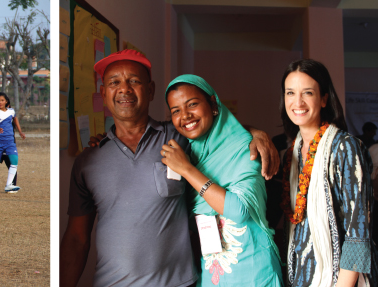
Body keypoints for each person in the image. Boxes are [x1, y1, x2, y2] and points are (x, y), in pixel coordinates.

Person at [60, 49, 280, 287]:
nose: (124, 89)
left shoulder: (180, 137)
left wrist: (255, 133)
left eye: (134, 81)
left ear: (151, 90)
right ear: (103, 93)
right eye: (114, 82)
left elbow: (216, 129)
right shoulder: (89, 161)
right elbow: (76, 239)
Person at [160, 74, 282, 286]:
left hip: (254, 273)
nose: (185, 116)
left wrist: (187, 170)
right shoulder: (188, 151)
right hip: (211, 274)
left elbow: (239, 210)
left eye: (193, 104)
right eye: (175, 111)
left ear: (213, 103)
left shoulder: (246, 147)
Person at [279, 59, 377, 286]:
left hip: (339, 279)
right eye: (290, 93)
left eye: (308, 93)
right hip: (301, 276)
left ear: (324, 99)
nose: (298, 102)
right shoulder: (291, 154)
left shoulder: (345, 148)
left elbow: (358, 232)